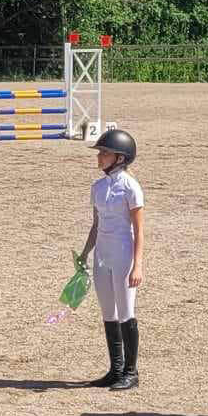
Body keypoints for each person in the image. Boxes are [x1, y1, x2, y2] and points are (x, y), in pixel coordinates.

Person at [78, 125, 145, 391]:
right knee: (108, 312)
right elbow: (95, 226)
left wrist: (138, 264)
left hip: (124, 255)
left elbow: (139, 229)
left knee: (126, 312)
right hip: (103, 256)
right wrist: (85, 253)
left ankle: (131, 371)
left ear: (120, 157)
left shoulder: (131, 187)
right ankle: (115, 369)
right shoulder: (97, 187)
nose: (99, 157)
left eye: (104, 153)